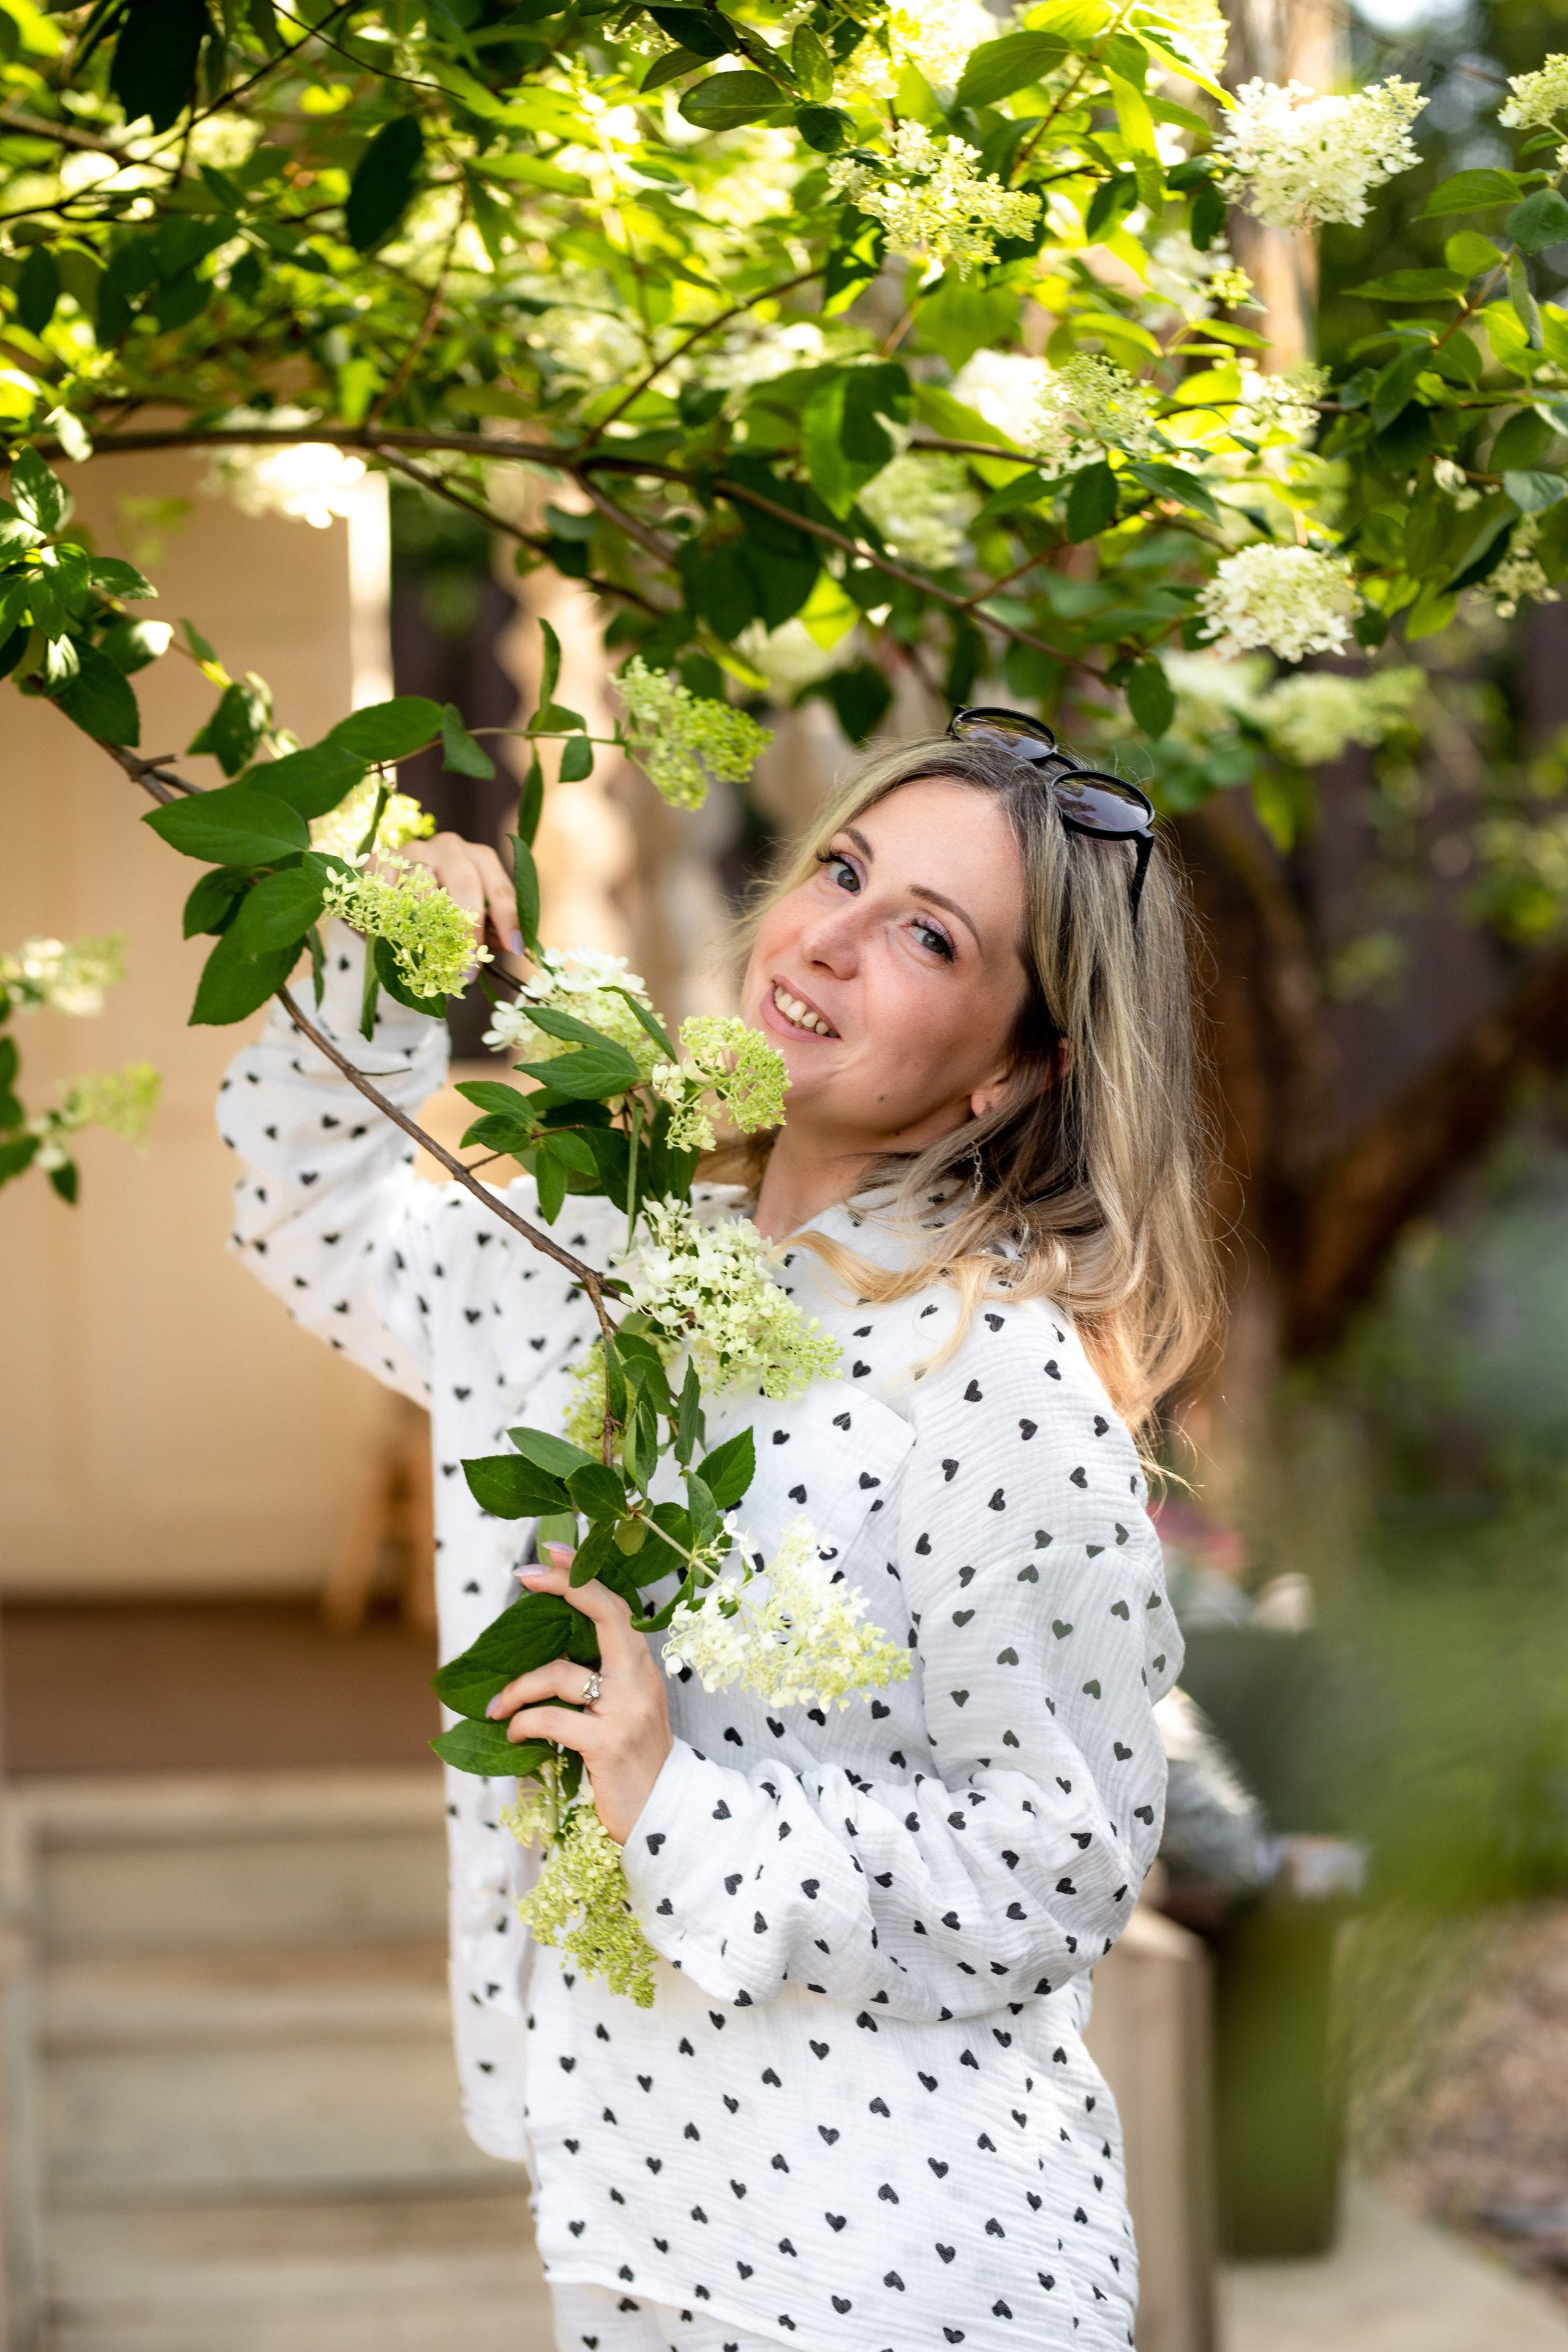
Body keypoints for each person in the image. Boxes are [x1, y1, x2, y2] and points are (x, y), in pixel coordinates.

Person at [220, 714, 1219, 2352]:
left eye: (927, 933)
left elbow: (1057, 1862)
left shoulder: (990, 1379)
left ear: (1018, 1061)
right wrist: (384, 957)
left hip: (900, 2267)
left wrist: (676, 1801)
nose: (826, 934)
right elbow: (317, 1214)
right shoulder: (604, 1244)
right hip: (630, 2210)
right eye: (841, 867)